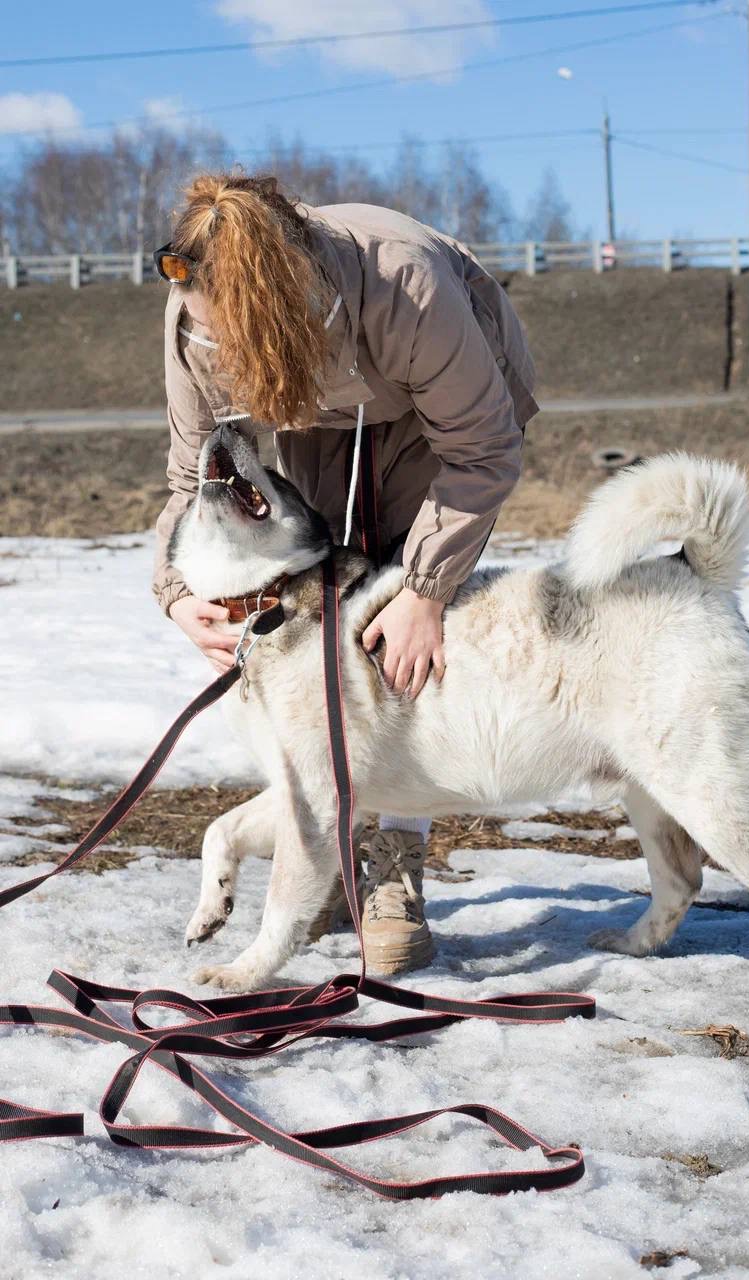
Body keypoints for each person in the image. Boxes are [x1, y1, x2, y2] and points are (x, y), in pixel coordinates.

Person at [151, 173, 539, 974]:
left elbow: (480, 452)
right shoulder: (194, 312)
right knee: (328, 607)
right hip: (311, 403)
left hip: (439, 412)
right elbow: (193, 476)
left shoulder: (406, 286)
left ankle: (395, 861)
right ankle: (325, 844)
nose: (217, 348)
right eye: (213, 336)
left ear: (284, 305)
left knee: (395, 628)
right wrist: (176, 593)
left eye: (236, 338)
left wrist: (424, 591)